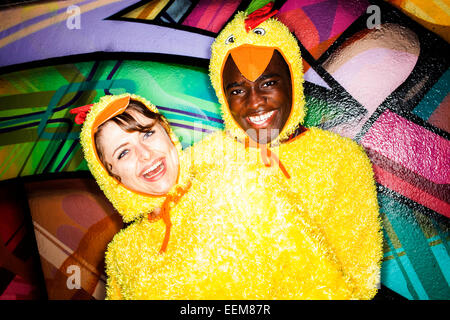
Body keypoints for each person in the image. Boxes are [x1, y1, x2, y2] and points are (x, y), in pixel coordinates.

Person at [79, 93, 356, 299]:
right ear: (111, 175)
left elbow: (318, 280)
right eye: (123, 152)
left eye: (147, 133)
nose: (145, 155)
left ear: (165, 130)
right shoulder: (123, 256)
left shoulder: (240, 184)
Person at [192, 3, 382, 299]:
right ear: (222, 96)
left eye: (268, 83)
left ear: (293, 81)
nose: (255, 102)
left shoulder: (342, 160)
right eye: (238, 90)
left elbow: (361, 280)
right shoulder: (204, 161)